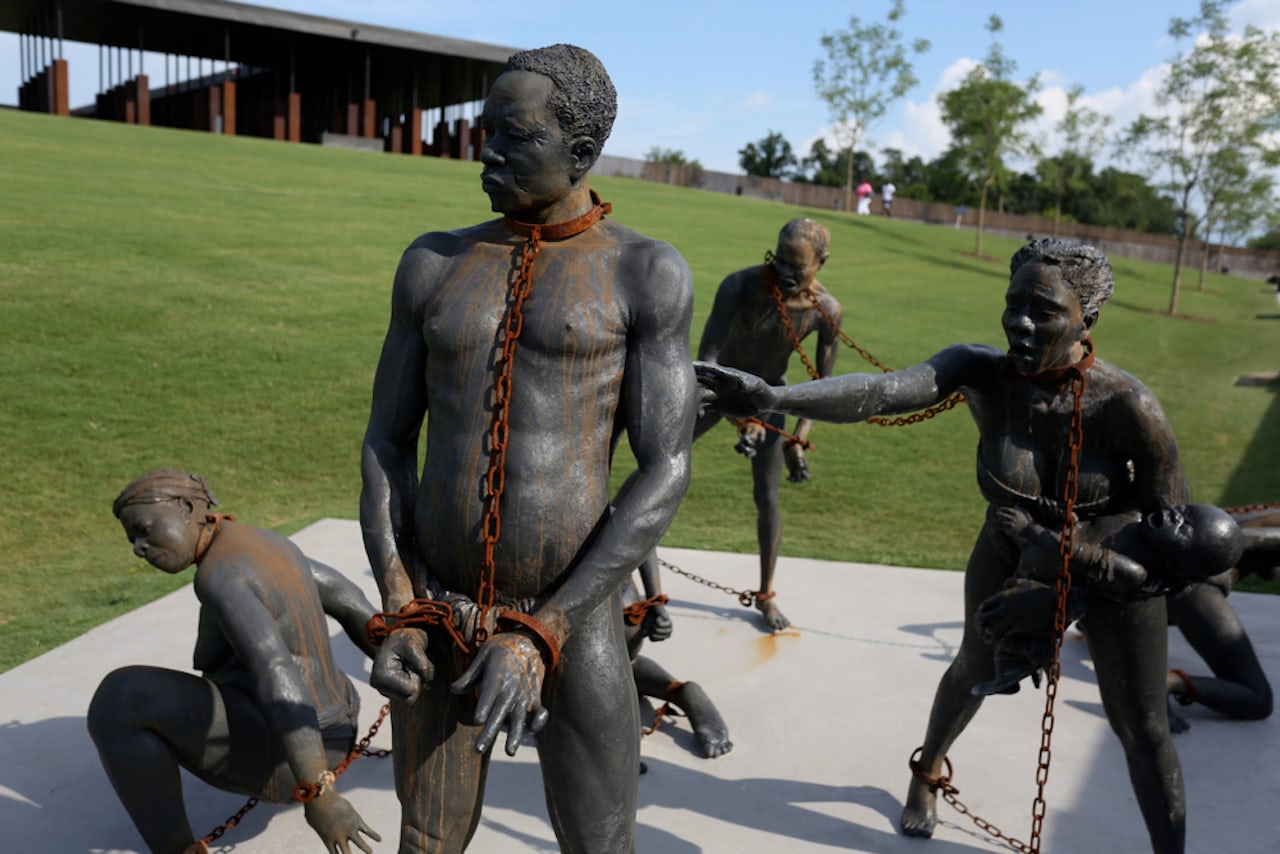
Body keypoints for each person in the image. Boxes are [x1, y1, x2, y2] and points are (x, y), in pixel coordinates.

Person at [698, 237, 1195, 852]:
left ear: (1086, 317)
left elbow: (1178, 552)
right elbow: (881, 393)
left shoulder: (1129, 407)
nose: (1020, 321)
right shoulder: (980, 372)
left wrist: (1064, 604)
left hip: (1114, 570)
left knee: (1144, 728)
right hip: (1010, 549)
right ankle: (927, 770)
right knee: (971, 669)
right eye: (1014, 304)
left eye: (1044, 310)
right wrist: (776, 396)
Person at [358, 44, 695, 854]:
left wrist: (544, 632)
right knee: (425, 841)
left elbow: (665, 469)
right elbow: (385, 444)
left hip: (575, 626)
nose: (489, 153)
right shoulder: (434, 262)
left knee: (599, 842)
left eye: (515, 137)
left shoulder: (645, 273)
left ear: (581, 153)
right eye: (486, 133)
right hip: (439, 615)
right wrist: (402, 603)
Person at [87, 470, 382, 854]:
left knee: (120, 700)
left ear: (188, 507)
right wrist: (399, 664)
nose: (139, 548)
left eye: (144, 530)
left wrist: (320, 794)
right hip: (341, 722)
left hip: (293, 762)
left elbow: (277, 672)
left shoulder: (221, 576)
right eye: (133, 539)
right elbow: (345, 596)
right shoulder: (260, 541)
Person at [694, 218, 841, 631]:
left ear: (822, 263)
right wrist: (737, 417)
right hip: (714, 389)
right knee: (662, 468)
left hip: (769, 395)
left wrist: (799, 436)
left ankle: (766, 595)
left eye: (799, 268)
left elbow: (822, 387)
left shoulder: (824, 312)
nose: (787, 275)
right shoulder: (740, 287)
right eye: (781, 263)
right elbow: (706, 360)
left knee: (769, 497)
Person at [974, 503, 1245, 696]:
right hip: (1045, 556)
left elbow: (1075, 552)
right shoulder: (1140, 518)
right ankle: (1024, 660)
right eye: (1184, 510)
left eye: (1184, 527)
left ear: (1180, 564)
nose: (1175, 515)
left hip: (1056, 582)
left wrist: (1029, 528)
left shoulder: (1133, 572)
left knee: (1006, 627)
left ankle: (1019, 668)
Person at [1164, 506, 1280, 729]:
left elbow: (1268, 569)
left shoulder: (1268, 514)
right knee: (1258, 700)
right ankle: (1168, 684)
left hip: (1174, 577)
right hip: (1195, 588)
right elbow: (1240, 540)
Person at [624, 553, 733, 759]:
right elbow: (643, 533)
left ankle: (611, 748)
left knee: (593, 673)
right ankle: (678, 690)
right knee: (625, 664)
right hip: (628, 603)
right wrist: (656, 603)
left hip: (585, 602)